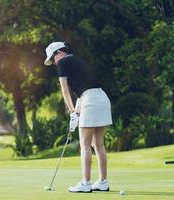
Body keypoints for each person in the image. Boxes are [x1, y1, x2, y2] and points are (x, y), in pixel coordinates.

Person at [44, 42, 113, 193]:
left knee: (85, 144)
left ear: (59, 53)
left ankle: (85, 183)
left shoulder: (63, 62)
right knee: (98, 144)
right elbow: (83, 93)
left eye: (53, 58)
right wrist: (75, 112)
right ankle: (103, 182)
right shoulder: (77, 61)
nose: (55, 62)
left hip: (91, 101)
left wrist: (71, 112)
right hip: (101, 98)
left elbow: (64, 89)